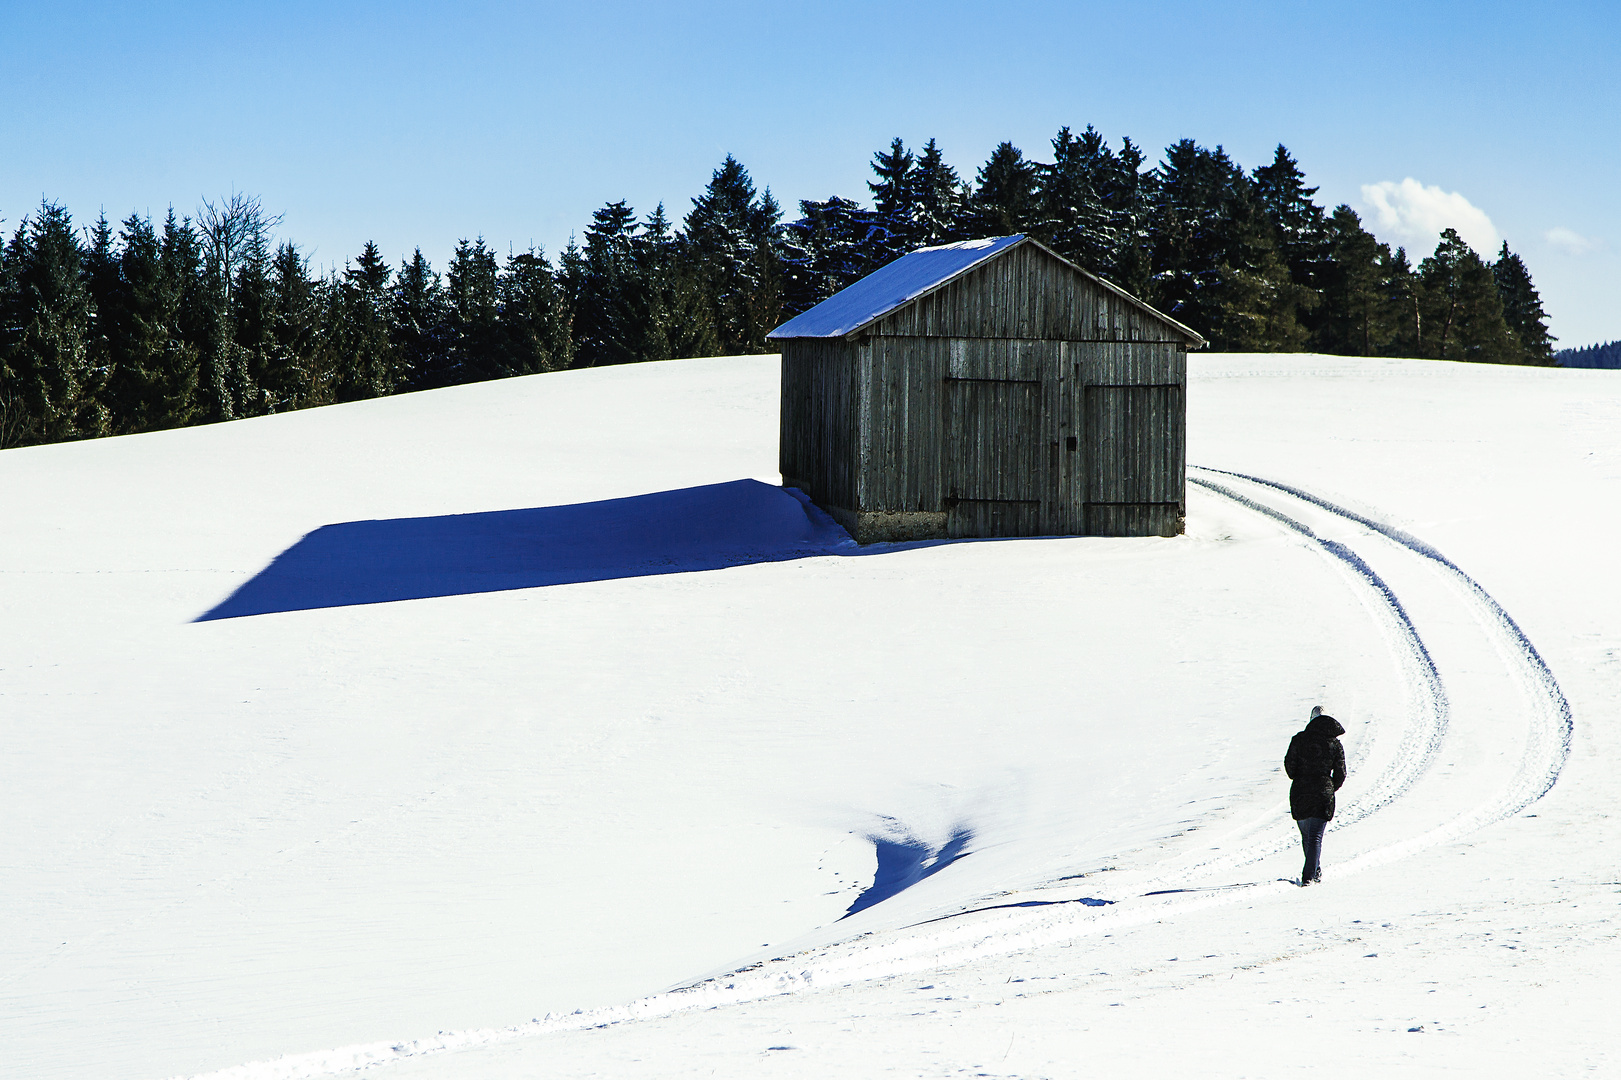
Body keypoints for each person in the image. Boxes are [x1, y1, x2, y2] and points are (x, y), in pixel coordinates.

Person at [1284, 705, 1346, 885]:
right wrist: (1329, 787)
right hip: (1322, 792)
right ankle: (1310, 874)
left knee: (1307, 836)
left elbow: (1290, 768)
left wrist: (1301, 777)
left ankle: (1312, 871)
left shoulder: (1299, 740)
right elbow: (1341, 773)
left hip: (1300, 791)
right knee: (1315, 836)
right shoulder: (1334, 744)